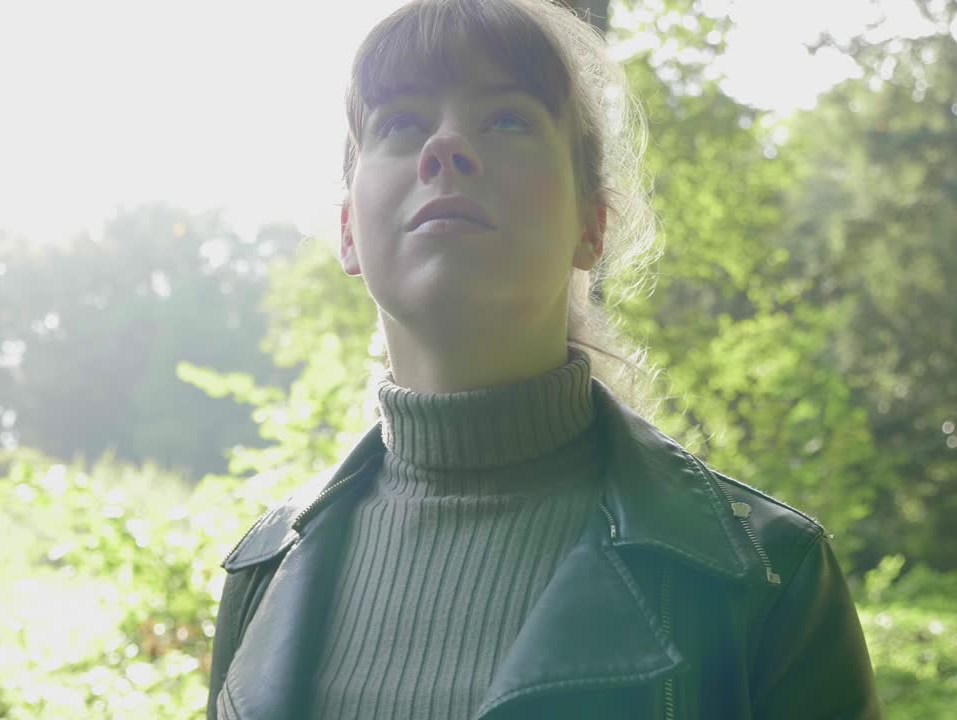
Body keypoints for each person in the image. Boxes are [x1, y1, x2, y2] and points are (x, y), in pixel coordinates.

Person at [206, 0, 882, 718]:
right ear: (348, 231)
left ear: (592, 226)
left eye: (506, 119)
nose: (446, 146)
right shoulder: (263, 570)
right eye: (400, 123)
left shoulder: (769, 578)